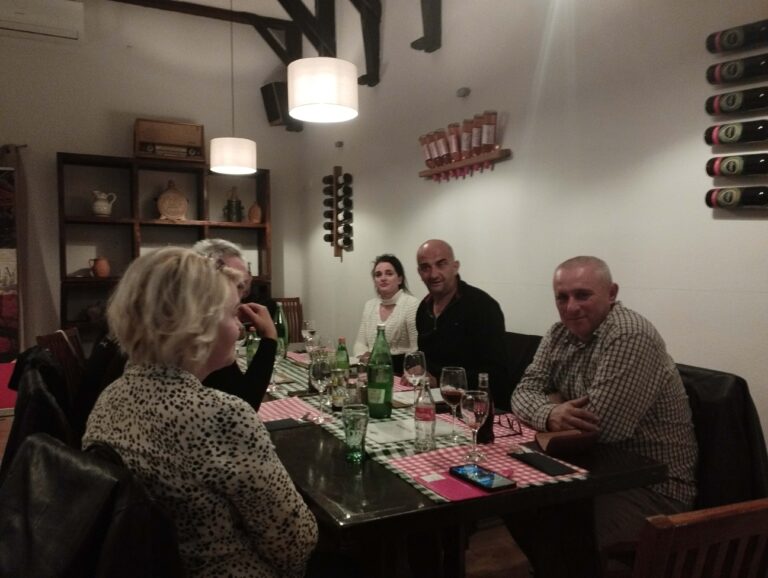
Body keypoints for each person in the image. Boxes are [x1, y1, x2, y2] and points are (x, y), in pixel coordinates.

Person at [82, 247, 318, 577]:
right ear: (197, 325)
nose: (239, 328)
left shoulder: (111, 396)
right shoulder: (221, 415)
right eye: (232, 314)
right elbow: (296, 544)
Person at [509, 256, 698, 574]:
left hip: (653, 489)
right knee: (514, 498)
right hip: (592, 473)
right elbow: (521, 392)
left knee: (544, 512)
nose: (571, 307)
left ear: (611, 293)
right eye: (562, 297)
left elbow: (599, 428)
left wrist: (552, 405)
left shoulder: (630, 334)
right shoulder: (558, 334)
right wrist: (551, 411)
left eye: (583, 295)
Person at [192, 238, 277, 411]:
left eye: (242, 285)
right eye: (233, 282)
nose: (240, 293)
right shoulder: (202, 336)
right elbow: (245, 405)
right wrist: (269, 338)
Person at [415, 239, 507, 394]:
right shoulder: (423, 308)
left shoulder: (483, 306)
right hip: (431, 397)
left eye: (441, 264)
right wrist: (418, 370)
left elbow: (497, 372)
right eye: (426, 267)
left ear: (455, 266)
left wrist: (441, 382)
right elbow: (428, 359)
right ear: (419, 273)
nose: (433, 274)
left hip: (471, 401)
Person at [353, 254, 419, 374]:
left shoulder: (411, 304)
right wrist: (362, 356)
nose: (383, 278)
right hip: (372, 370)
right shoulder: (369, 305)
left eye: (389, 273)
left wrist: (409, 372)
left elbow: (416, 348)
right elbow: (360, 342)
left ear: (399, 279)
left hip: (401, 372)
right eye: (378, 275)